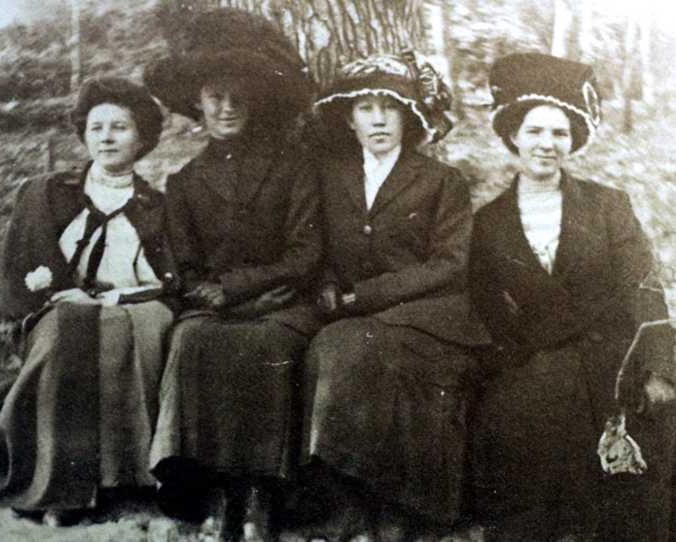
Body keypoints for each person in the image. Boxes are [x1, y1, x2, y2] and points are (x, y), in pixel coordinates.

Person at [469, 52, 676, 541]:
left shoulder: (608, 205)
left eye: (559, 133)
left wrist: (660, 367)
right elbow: (486, 304)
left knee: (646, 449)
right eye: (535, 132)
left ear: (573, 140)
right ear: (513, 136)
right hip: (534, 358)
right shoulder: (488, 221)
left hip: (612, 355)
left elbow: (641, 283)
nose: (547, 145)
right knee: (517, 429)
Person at [143, 8, 319, 542]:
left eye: (239, 95)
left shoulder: (295, 165)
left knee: (269, 342)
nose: (227, 106)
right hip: (214, 306)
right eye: (215, 95)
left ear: (259, 100)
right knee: (194, 339)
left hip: (286, 303)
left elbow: (306, 252)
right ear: (196, 101)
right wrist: (215, 294)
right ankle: (216, 490)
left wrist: (244, 286)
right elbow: (185, 268)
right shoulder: (185, 180)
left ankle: (263, 493)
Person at [299, 52, 490, 540]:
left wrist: (365, 295)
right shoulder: (330, 177)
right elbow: (312, 245)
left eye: (390, 106)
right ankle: (349, 500)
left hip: (429, 313)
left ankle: (400, 504)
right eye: (366, 107)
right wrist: (324, 285)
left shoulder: (441, 181)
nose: (379, 118)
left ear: (410, 116)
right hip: (352, 316)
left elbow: (450, 263)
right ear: (349, 118)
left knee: (378, 353)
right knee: (334, 349)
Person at [0, 76, 178, 526]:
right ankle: (60, 485)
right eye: (96, 127)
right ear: (84, 133)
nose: (106, 136)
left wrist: (113, 300)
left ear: (142, 137)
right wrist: (52, 301)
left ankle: (124, 479)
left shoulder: (158, 205)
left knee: (140, 326)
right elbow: (17, 272)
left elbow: (172, 281)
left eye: (120, 127)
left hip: (134, 303)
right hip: (59, 307)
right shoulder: (47, 192)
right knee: (70, 327)